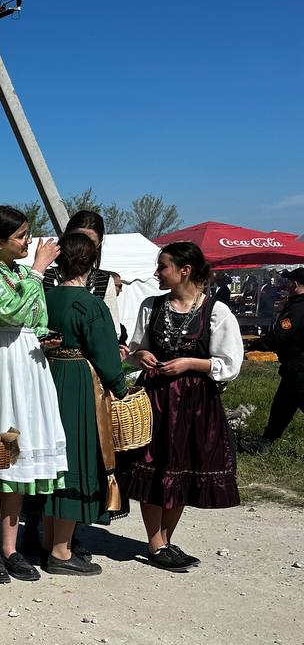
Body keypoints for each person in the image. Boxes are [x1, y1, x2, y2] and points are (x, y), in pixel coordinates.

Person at [122, 242, 243, 572]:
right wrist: (142, 355)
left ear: (184, 271)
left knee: (181, 469)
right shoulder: (152, 306)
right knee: (153, 466)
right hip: (156, 399)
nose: (156, 273)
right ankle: (155, 542)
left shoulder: (216, 312)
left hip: (194, 404)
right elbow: (136, 349)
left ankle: (166, 538)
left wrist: (191, 363)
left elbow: (229, 363)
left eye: (162, 267)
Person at [0, 207, 66, 584]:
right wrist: (37, 270)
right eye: (21, 235)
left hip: (29, 363)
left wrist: (45, 335)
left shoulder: (24, 273)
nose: (28, 241)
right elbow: (7, 311)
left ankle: (11, 545)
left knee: (18, 457)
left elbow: (33, 316)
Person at [40, 233, 130, 575]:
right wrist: (120, 388)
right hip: (78, 383)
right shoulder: (90, 305)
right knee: (74, 458)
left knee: (53, 459)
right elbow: (107, 356)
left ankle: (49, 541)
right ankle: (61, 552)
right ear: (92, 264)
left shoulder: (46, 297)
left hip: (47, 377)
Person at [245, 268, 304, 451]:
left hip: (299, 368)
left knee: (284, 404)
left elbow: (280, 335)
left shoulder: (298, 308)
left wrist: (252, 346)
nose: (286, 286)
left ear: (294, 284)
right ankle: (265, 443)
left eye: (288, 283)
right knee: (282, 406)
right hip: (293, 368)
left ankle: (265, 443)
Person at [40, 209, 122, 333]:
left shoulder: (104, 280)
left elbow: (112, 329)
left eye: (90, 242)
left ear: (99, 244)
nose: (82, 246)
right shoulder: (44, 276)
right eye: (76, 239)